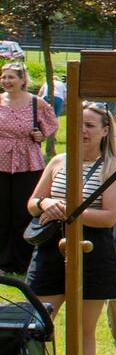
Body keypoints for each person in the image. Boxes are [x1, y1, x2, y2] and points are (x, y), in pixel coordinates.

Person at [25, 103, 116, 355]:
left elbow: (108, 218)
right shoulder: (59, 161)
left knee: (83, 331)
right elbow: (33, 203)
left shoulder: (112, 168)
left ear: (105, 131)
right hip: (49, 250)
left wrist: (69, 211)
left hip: (91, 251)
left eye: (90, 125)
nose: (82, 130)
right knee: (38, 323)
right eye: (78, 123)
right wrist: (46, 203)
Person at [0, 61, 58, 276]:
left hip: (28, 161)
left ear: (23, 80)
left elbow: (51, 124)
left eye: (11, 77)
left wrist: (41, 135)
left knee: (24, 212)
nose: (6, 81)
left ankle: (24, 261)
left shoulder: (37, 103)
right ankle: (4, 262)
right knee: (2, 213)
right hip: (1, 161)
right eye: (4, 77)